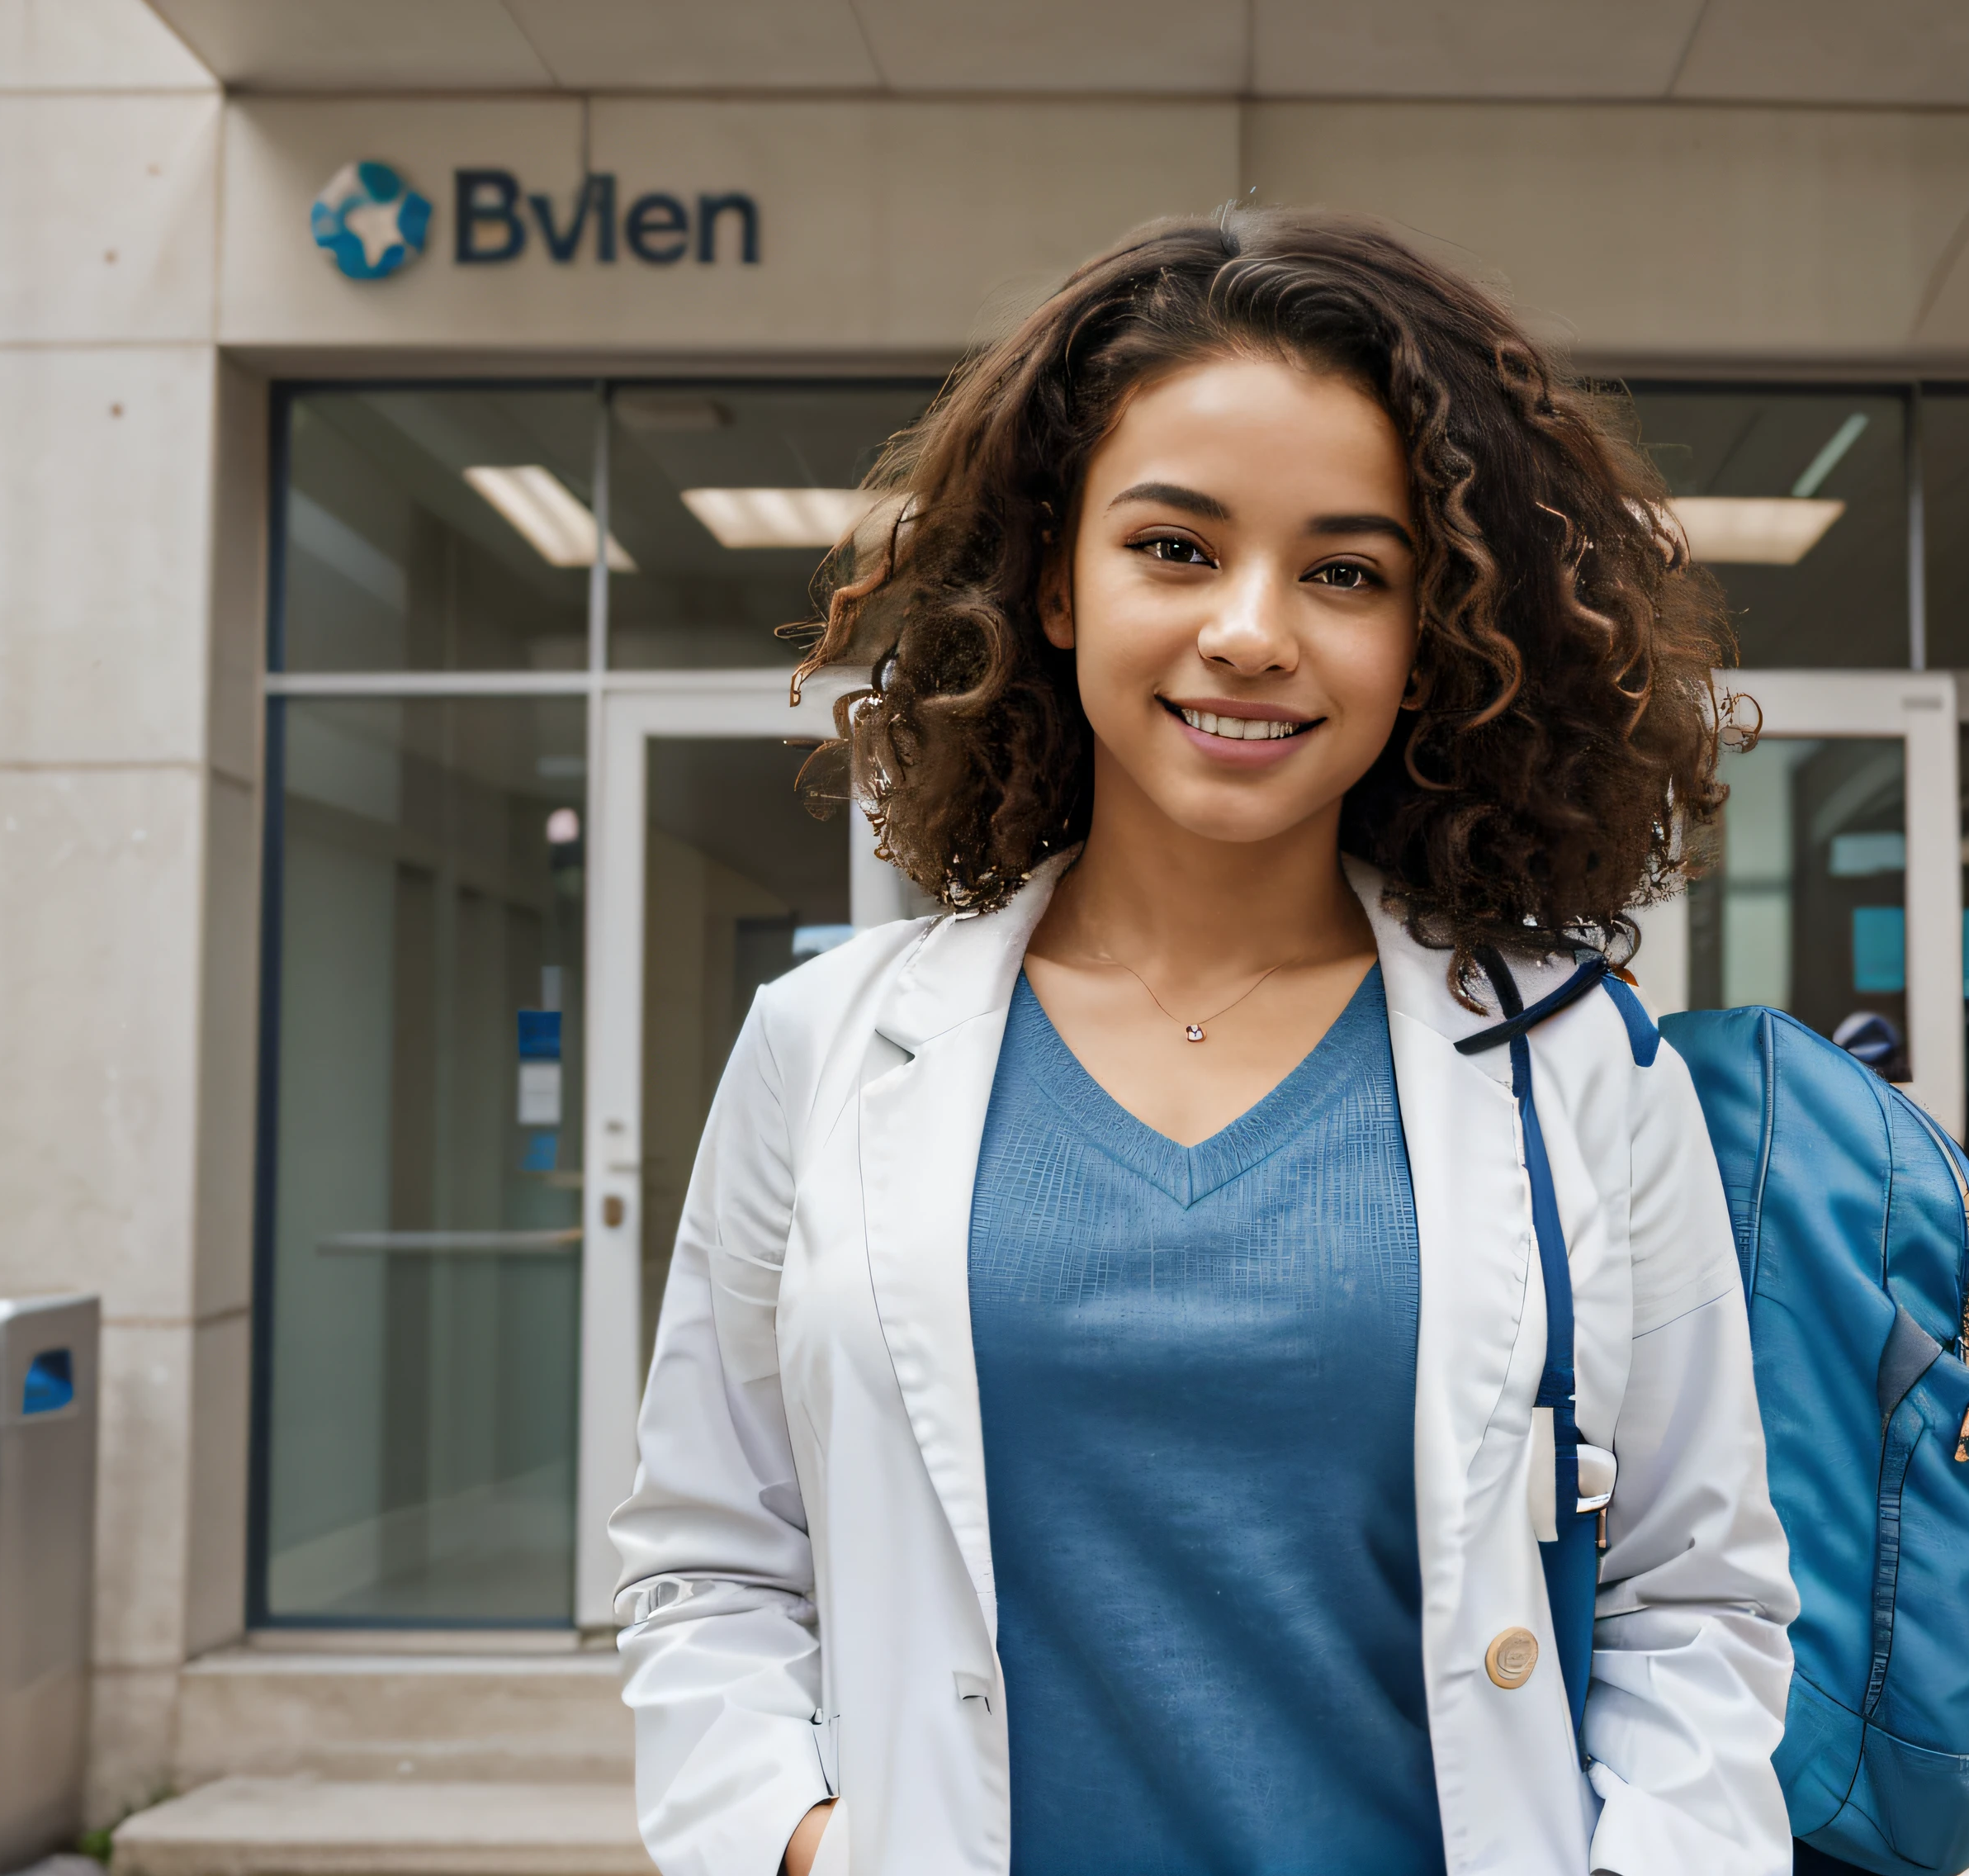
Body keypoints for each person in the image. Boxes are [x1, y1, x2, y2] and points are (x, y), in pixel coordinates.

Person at [608, 207, 1798, 1876]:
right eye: (1175, 546)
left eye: (1344, 571)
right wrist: (801, 1839)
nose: (1252, 628)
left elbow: (1697, 1591)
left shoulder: (1573, 1062)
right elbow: (710, 1558)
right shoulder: (824, 1044)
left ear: (1428, 635)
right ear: (1053, 581)